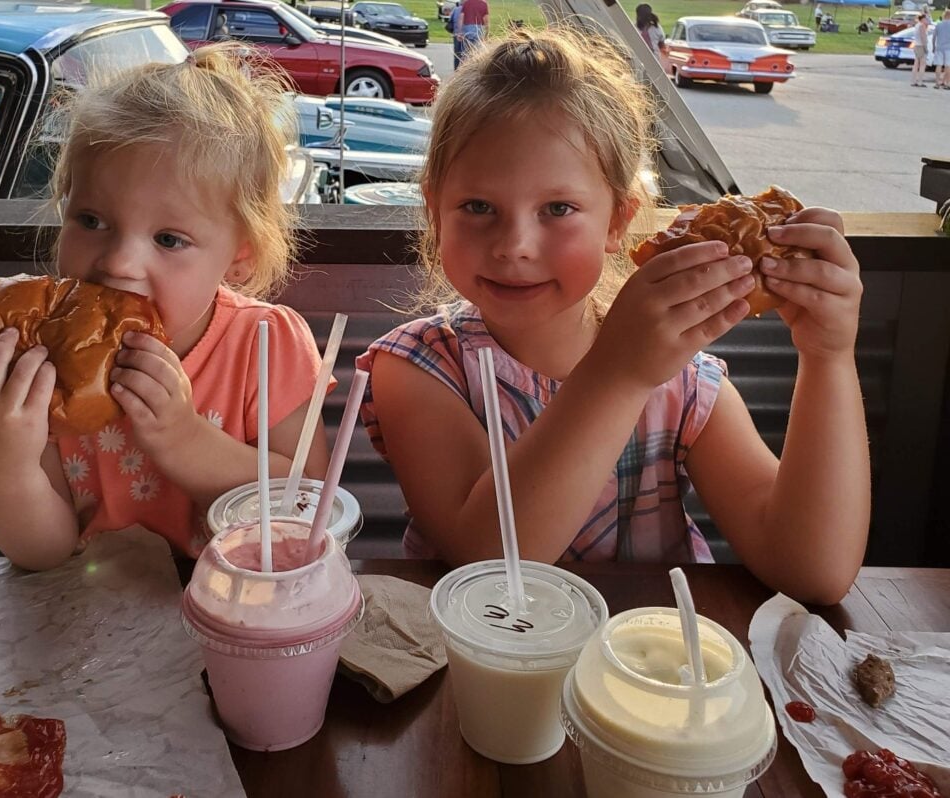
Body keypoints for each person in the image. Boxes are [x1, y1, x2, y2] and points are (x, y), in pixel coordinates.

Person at [356, 29, 869, 606]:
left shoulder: (680, 381)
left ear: (618, 221)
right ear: (434, 209)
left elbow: (813, 571)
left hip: (651, 672)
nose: (514, 245)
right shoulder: (419, 369)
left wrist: (828, 358)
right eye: (479, 207)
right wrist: (617, 375)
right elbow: (493, 565)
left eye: (558, 208)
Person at [0, 44, 332, 571]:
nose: (119, 263)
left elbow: (309, 508)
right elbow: (44, 551)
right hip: (88, 628)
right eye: (90, 220)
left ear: (239, 255)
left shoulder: (266, 343)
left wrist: (186, 440)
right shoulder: (38, 358)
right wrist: (2, 465)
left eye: (169, 239)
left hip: (234, 617)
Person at [634, 3, 670, 74]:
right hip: (643, 60)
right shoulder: (634, 28)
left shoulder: (656, 28)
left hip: (651, 60)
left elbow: (661, 45)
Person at [932, 9, 950, 88]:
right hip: (948, 48)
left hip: (939, 47)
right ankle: (946, 83)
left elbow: (934, 37)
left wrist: (933, 46)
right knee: (948, 66)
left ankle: (937, 83)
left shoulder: (938, 25)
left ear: (944, 15)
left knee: (938, 65)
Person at [911, 13, 931, 85]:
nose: (927, 20)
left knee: (916, 63)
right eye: (925, 18)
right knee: (922, 64)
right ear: (922, 19)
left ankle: (914, 80)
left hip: (916, 45)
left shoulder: (917, 25)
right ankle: (920, 81)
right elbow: (923, 38)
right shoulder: (922, 26)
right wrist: (925, 48)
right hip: (921, 46)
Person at [449, 0, 465, 70]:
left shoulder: (456, 9)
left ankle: (456, 70)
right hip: (466, 34)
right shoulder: (469, 9)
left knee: (457, 54)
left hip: (456, 34)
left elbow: (451, 21)